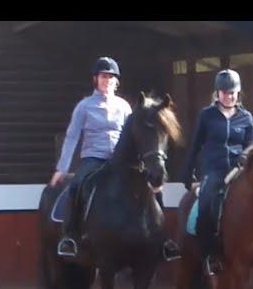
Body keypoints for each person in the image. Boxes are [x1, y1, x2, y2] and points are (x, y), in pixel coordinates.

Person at [50, 56, 181, 261]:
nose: (107, 80)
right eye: (103, 76)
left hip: (122, 161)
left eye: (111, 77)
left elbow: (134, 135)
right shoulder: (84, 106)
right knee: (77, 185)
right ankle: (70, 236)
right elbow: (72, 136)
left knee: (154, 186)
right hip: (94, 159)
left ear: (116, 81)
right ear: (96, 79)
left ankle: (162, 238)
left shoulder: (124, 106)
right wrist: (62, 168)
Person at [180, 69, 253, 276]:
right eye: (225, 93)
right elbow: (196, 145)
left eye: (232, 93)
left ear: (238, 93)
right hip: (214, 169)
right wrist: (187, 173)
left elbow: (251, 147)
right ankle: (210, 253)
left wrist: (245, 159)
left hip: (239, 168)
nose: (229, 96)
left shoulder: (246, 117)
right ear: (217, 93)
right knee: (207, 202)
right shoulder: (206, 116)